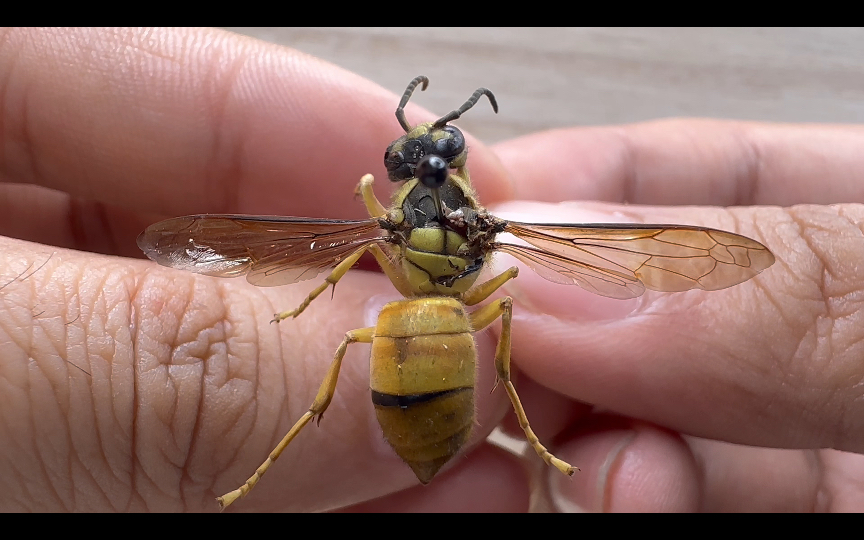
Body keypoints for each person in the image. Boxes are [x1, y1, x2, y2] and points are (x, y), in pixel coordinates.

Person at [1, 27, 861, 512]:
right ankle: (510, 407)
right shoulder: (450, 227)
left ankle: (502, 405)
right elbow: (384, 249)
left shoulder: (416, 221)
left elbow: (374, 243)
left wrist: (319, 297)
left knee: (371, 331)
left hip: (424, 341)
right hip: (444, 339)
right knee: (463, 304)